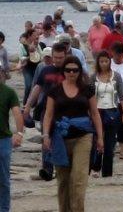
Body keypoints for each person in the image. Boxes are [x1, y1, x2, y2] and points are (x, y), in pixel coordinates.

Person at [43, 56, 103, 212]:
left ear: (79, 71)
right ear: (63, 71)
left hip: (83, 136)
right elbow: (48, 115)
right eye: (68, 70)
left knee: (78, 178)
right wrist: (45, 136)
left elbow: (95, 113)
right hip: (60, 139)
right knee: (63, 180)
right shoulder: (54, 91)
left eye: (75, 70)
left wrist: (100, 137)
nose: (71, 73)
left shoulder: (87, 89)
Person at [23, 42, 67, 181]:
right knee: (46, 138)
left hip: (65, 112)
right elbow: (37, 88)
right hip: (46, 110)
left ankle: (63, 168)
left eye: (61, 57)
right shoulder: (45, 70)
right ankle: (47, 169)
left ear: (66, 56)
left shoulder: (71, 71)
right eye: (56, 57)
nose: (58, 60)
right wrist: (28, 106)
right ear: (52, 56)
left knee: (64, 140)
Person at [89, 50, 123, 177]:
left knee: (110, 143)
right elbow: (88, 96)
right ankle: (95, 166)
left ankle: (107, 173)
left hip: (112, 111)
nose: (104, 64)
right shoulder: (93, 77)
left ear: (109, 62)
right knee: (96, 141)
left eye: (106, 61)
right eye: (101, 61)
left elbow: (122, 96)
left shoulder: (116, 76)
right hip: (97, 112)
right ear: (98, 63)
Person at [0, 63, 24, 212]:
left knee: (3, 179)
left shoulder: (9, 92)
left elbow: (17, 113)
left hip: (3, 140)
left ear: (2, 73)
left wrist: (19, 133)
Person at [19, 29, 42, 104]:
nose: (36, 36)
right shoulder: (22, 45)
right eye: (34, 35)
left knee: (36, 85)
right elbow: (21, 57)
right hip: (27, 68)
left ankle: (33, 103)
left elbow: (41, 56)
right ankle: (25, 103)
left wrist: (36, 49)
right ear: (29, 36)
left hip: (36, 67)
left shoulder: (36, 44)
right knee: (28, 85)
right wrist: (29, 57)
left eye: (36, 35)